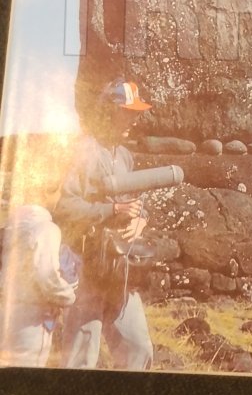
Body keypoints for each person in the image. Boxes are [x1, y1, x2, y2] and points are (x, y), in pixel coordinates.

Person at [53, 79, 154, 371]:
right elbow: (64, 207)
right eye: (128, 112)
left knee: (138, 348)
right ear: (109, 112)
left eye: (136, 113)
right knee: (81, 356)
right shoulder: (82, 151)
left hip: (118, 267)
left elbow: (133, 201)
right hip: (85, 265)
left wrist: (141, 218)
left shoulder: (124, 155)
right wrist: (112, 210)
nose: (134, 120)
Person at [0, 176, 78, 368]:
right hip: (31, 319)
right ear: (46, 193)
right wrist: (68, 295)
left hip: (7, 309)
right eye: (59, 192)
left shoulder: (13, 225)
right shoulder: (45, 228)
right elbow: (47, 276)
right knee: (27, 373)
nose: (59, 197)